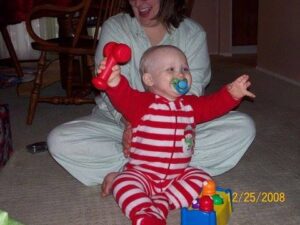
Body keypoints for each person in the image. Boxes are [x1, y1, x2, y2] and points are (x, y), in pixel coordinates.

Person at [47, 0, 256, 192]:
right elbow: (115, 90)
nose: (139, 2)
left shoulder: (193, 34)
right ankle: (152, 171)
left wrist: (230, 94)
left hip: (179, 126)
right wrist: (128, 124)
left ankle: (146, 172)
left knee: (242, 126)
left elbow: (193, 94)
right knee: (59, 140)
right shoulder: (116, 27)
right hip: (118, 122)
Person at [95, 45, 255, 225]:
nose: (181, 74)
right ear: (149, 79)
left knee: (203, 180)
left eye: (185, 69)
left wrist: (231, 94)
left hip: (178, 175)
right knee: (124, 184)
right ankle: (146, 214)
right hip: (142, 174)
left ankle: (163, 203)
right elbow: (123, 97)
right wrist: (115, 81)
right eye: (171, 69)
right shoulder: (142, 103)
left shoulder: (191, 105)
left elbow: (213, 105)